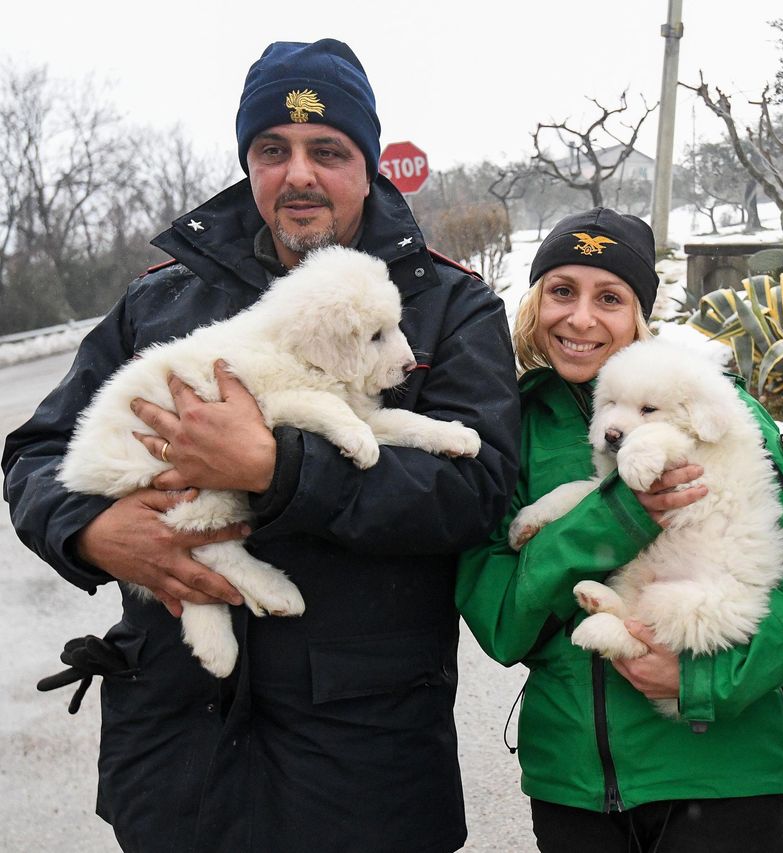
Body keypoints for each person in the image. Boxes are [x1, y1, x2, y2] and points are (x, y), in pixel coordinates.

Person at [2, 38, 520, 853]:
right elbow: (35, 451)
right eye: (272, 150)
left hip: (362, 768)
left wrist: (282, 471)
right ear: (249, 162)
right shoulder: (160, 300)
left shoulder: (449, 306)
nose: (299, 174)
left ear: (369, 163)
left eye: (328, 150)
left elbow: (481, 489)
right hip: (175, 763)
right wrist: (91, 531)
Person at [454, 207, 783, 852]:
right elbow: (502, 623)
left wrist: (704, 682)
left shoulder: (718, 411)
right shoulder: (506, 427)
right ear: (535, 303)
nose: (581, 318)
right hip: (572, 782)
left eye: (609, 297)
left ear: (640, 316)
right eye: (562, 291)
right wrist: (617, 515)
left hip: (721, 771)